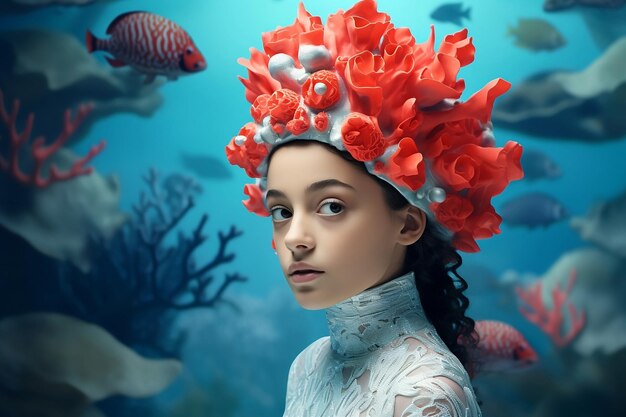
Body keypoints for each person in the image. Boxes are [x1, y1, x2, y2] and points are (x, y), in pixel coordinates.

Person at [225, 1, 524, 416]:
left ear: (409, 223)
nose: (294, 238)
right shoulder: (307, 366)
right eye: (281, 212)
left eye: (331, 206)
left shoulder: (427, 396)